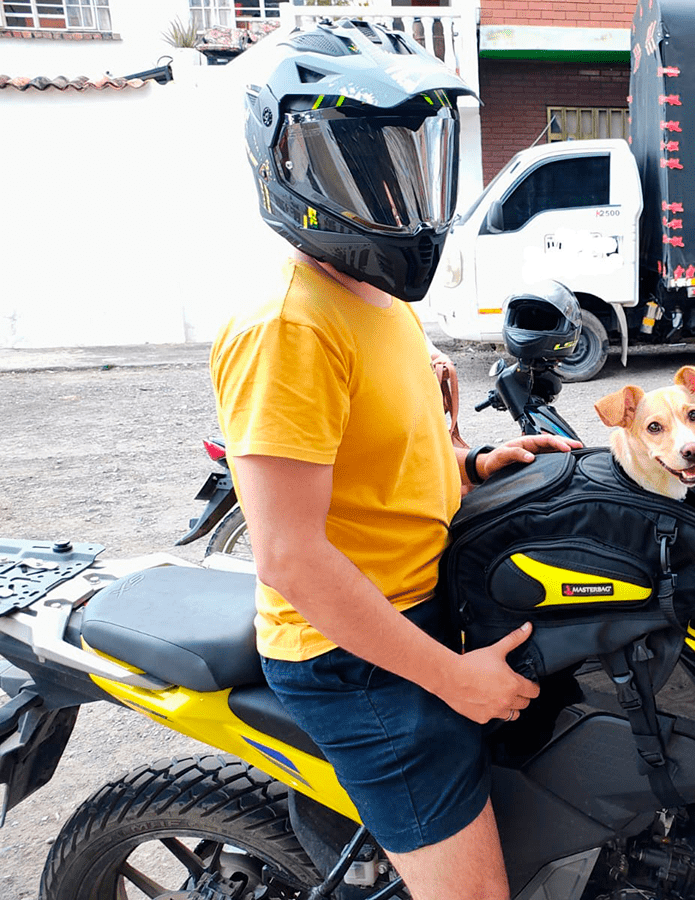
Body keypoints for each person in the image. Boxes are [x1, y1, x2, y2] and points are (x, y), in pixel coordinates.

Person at [210, 20, 578, 900]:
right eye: (364, 166)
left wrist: (475, 466)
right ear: (293, 170)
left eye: (406, 161)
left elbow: (395, 453)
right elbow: (290, 555)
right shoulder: (288, 325)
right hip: (353, 659)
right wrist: (455, 682)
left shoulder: (374, 295)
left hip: (424, 602)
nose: (394, 189)